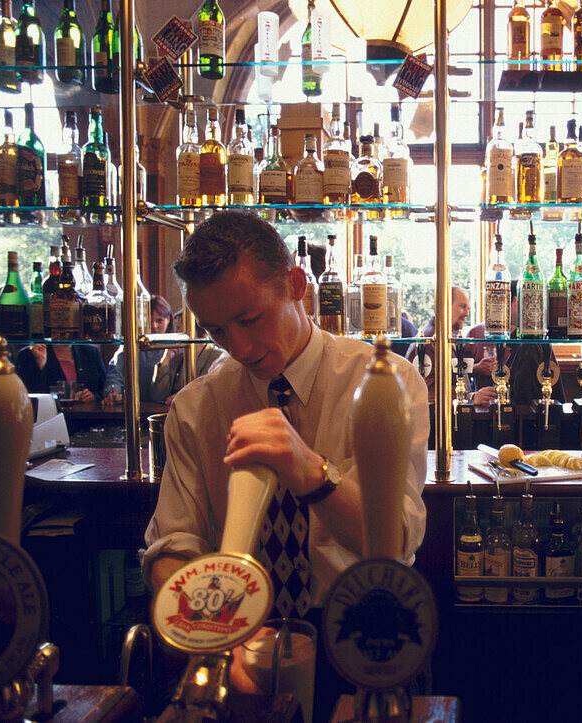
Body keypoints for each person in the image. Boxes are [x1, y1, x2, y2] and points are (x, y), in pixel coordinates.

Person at [141, 212, 428, 713]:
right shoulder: (194, 409)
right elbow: (173, 544)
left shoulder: (385, 385)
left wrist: (309, 472)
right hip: (234, 632)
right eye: (216, 331)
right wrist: (205, 623)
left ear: (297, 285)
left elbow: (395, 542)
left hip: (360, 632)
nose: (239, 347)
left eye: (250, 319)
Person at [103, 296, 226, 406]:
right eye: (149, 321)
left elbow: (218, 391)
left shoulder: (219, 356)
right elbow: (157, 394)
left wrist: (185, 397)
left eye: (159, 320)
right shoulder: (176, 357)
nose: (153, 326)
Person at [405, 286, 472, 401]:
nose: (467, 314)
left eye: (468, 308)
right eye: (462, 306)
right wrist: (470, 396)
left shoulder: (441, 333)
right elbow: (429, 390)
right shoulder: (432, 338)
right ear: (445, 305)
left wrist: (475, 368)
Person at [15, 342, 106, 401]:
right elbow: (28, 395)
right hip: (49, 420)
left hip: (87, 420)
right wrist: (41, 363)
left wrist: (94, 396)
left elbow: (104, 388)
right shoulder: (30, 354)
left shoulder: (91, 352)